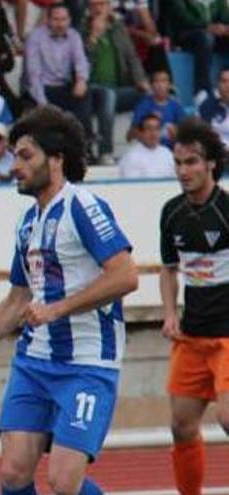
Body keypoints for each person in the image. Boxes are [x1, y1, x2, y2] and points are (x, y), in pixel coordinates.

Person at [0, 104, 138, 495]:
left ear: (57, 159)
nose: (15, 166)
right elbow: (17, 298)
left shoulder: (83, 206)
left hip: (87, 364)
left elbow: (126, 276)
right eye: (14, 156)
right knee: (13, 473)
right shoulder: (28, 222)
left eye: (26, 156)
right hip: (35, 361)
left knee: (63, 482)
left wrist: (58, 308)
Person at [159, 117, 229, 495]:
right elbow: (169, 271)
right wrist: (170, 312)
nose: (184, 171)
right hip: (192, 336)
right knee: (181, 426)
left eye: (192, 162)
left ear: (211, 163)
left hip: (228, 337)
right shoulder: (172, 213)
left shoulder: (226, 209)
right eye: (179, 163)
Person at [81, 0, 148, 164]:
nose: (98, 9)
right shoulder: (81, 29)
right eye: (94, 5)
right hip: (91, 91)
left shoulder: (118, 28)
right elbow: (80, 63)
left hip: (117, 89)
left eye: (102, 4)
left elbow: (132, 57)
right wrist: (93, 37)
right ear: (89, 8)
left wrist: (141, 80)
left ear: (109, 7)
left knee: (146, 95)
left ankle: (148, 148)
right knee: (108, 95)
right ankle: (105, 152)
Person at [24, 3, 93, 138]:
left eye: (63, 19)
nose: (60, 24)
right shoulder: (35, 37)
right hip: (44, 88)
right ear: (48, 20)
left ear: (69, 20)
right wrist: (43, 103)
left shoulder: (74, 35)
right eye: (56, 19)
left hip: (64, 87)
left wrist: (81, 80)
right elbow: (33, 75)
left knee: (85, 91)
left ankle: (86, 141)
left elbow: (81, 61)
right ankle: (80, 139)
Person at [162, 0, 229, 103]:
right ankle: (202, 90)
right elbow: (186, 19)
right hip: (187, 35)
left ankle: (225, 85)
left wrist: (224, 28)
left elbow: (225, 17)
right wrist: (208, 27)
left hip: (213, 34)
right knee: (206, 38)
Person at [130, 70, 185, 148]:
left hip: (170, 151)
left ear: (170, 85)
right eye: (156, 81)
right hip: (147, 150)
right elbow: (130, 136)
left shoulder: (176, 106)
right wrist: (149, 120)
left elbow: (184, 136)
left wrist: (175, 134)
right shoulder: (143, 105)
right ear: (151, 85)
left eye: (164, 81)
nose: (160, 85)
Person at [117, 114, 174, 178]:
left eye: (157, 129)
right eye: (149, 129)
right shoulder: (132, 156)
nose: (153, 133)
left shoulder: (167, 153)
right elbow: (132, 185)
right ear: (140, 133)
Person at [198, 68, 229, 149]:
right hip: (217, 152)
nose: (227, 85)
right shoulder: (207, 106)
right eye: (224, 81)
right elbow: (203, 135)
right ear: (218, 84)